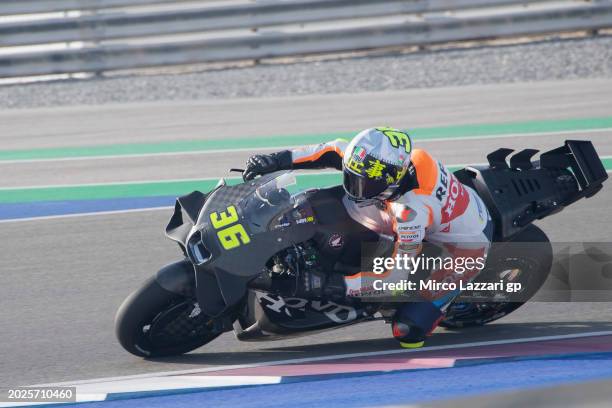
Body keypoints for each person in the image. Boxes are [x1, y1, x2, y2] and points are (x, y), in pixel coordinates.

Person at [242, 127, 492, 348]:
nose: (355, 188)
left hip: (467, 248)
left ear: (392, 181)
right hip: (430, 213)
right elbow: (329, 150)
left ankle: (442, 303)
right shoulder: (379, 163)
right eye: (352, 177)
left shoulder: (411, 213)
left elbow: (394, 281)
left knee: (407, 331)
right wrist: (274, 160)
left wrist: (331, 285)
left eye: (366, 185)